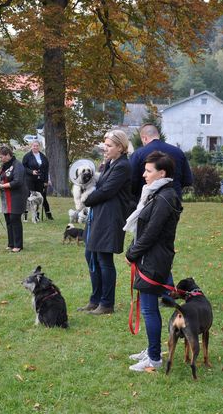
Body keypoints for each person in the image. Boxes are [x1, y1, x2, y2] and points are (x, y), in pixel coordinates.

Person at [124, 151, 182, 372]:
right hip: (151, 256)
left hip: (154, 259)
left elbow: (152, 232)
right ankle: (151, 349)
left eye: (148, 171)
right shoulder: (157, 193)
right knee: (148, 307)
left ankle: (155, 358)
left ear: (162, 173)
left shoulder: (165, 197)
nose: (143, 174)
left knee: (148, 309)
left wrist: (132, 252)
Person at [78, 129, 133, 315]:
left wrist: (85, 200)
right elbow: (98, 186)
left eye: (109, 146)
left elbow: (107, 191)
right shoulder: (109, 163)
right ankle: (95, 300)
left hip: (110, 218)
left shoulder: (123, 166)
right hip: (99, 216)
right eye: (105, 145)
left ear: (120, 147)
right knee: (90, 255)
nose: (105, 148)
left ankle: (106, 303)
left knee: (104, 260)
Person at [129, 123, 193, 201]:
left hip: (147, 200)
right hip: (173, 200)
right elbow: (187, 180)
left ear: (144, 138)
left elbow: (131, 182)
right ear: (158, 135)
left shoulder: (138, 154)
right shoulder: (178, 152)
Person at [0, 144, 29, 253]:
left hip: (17, 196)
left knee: (15, 219)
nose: (0, 159)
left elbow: (17, 182)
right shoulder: (3, 166)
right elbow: (1, 177)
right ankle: (11, 243)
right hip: (6, 197)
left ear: (8, 155)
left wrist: (2, 186)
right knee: (8, 220)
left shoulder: (17, 165)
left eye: (1, 157)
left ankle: (18, 245)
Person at [22, 140, 53, 220]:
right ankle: (25, 215)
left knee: (41, 197)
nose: (35, 147)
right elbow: (24, 168)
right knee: (30, 197)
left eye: (37, 146)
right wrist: (32, 172)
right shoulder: (27, 156)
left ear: (39, 146)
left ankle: (44, 214)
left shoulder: (43, 157)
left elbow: (46, 170)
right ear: (31, 146)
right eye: (34, 146)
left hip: (41, 180)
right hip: (30, 180)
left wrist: (46, 181)